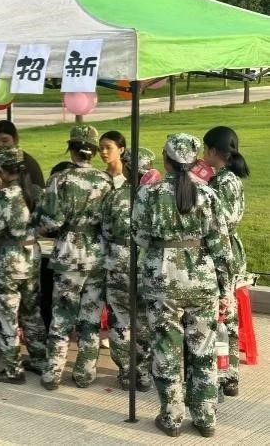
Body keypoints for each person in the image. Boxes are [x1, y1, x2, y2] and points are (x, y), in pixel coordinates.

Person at [133, 133, 231, 438]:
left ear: (166, 159)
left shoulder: (148, 194)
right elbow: (221, 246)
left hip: (162, 279)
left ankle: (172, 417)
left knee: (166, 349)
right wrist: (227, 289)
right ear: (195, 160)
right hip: (202, 280)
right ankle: (205, 418)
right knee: (203, 349)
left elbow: (138, 237)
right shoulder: (209, 194)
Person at [35, 125, 113, 390]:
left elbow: (51, 221)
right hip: (97, 255)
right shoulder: (105, 181)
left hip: (68, 254)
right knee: (90, 318)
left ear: (71, 149)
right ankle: (85, 373)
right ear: (94, 151)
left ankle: (53, 372)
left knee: (61, 315)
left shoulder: (60, 180)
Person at [0, 147, 47, 383]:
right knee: (32, 311)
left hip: (8, 260)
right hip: (32, 256)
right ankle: (39, 358)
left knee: (8, 315)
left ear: (1, 169)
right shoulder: (35, 192)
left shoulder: (2, 197)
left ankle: (12, 369)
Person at [101, 147, 155, 391]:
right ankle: (143, 372)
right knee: (144, 320)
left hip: (118, 262)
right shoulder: (156, 197)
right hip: (147, 264)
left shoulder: (114, 197)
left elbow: (105, 231)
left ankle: (126, 371)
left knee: (121, 319)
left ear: (126, 167)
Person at [203, 126, 250, 398]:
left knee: (220, 316)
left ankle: (221, 376)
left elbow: (217, 222)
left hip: (221, 251)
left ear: (212, 150)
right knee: (228, 315)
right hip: (232, 250)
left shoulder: (220, 182)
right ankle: (230, 375)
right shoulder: (231, 179)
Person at [0, 120, 45, 191]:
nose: (0, 144)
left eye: (5, 141)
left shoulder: (27, 161)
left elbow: (39, 188)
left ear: (15, 140)